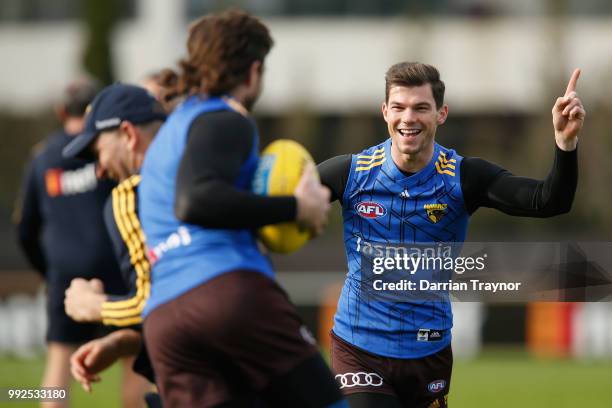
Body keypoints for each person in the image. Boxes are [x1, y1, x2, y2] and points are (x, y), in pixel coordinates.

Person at [317, 62, 584, 408]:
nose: (408, 118)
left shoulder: (463, 177)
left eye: (420, 108)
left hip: (429, 350)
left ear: (441, 114)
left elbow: (549, 201)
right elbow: (283, 203)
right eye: (398, 107)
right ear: (385, 112)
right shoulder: (349, 173)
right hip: (359, 348)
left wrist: (566, 143)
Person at [138, 9, 348, 408]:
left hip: (165, 318)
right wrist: (297, 207)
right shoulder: (224, 118)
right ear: (253, 71)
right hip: (227, 294)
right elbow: (195, 200)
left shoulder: (171, 132)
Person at [14, 79, 127, 408]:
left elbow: (25, 230)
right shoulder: (109, 148)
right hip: (119, 268)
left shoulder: (42, 157)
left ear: (60, 110)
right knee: (136, 362)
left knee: (56, 376)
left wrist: (49, 272)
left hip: (66, 275)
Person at [61, 83, 166, 405]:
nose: (101, 169)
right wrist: (121, 343)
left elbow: (158, 305)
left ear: (128, 135)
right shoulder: (205, 170)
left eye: (98, 152)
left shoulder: (129, 196)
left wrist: (93, 306)